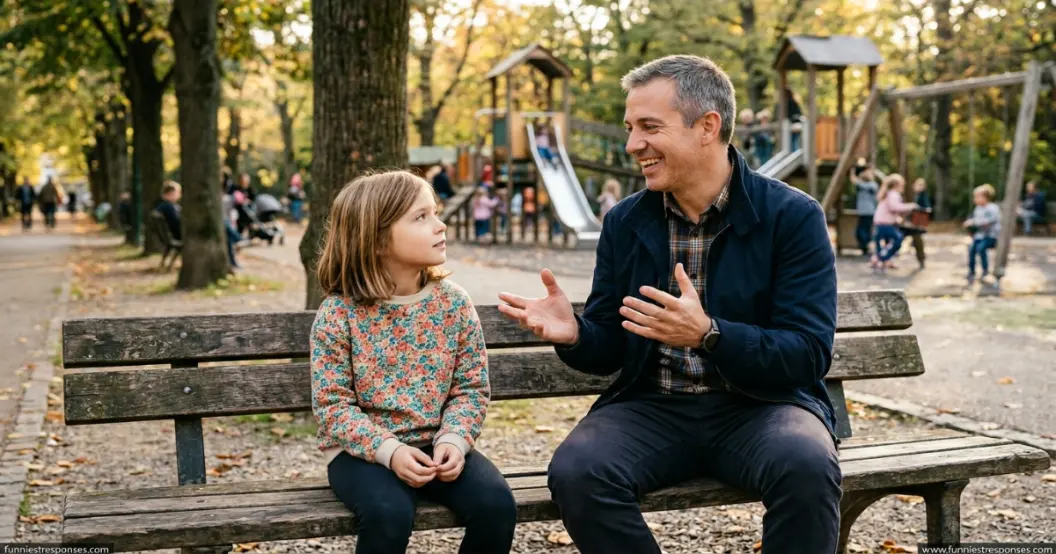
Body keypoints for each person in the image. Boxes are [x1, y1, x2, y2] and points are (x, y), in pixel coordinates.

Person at [498, 55, 841, 554]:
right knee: (579, 471)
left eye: (650, 127)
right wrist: (576, 334)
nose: (632, 144)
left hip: (763, 407)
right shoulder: (625, 222)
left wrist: (710, 335)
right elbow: (609, 346)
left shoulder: (792, 216)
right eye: (630, 128)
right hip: (654, 407)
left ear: (707, 127)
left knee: (807, 467)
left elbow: (807, 354)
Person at [310, 170, 516, 554]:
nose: (440, 225)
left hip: (437, 443)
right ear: (375, 240)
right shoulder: (339, 314)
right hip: (362, 453)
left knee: (496, 506)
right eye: (421, 217)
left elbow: (470, 388)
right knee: (389, 513)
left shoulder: (453, 304)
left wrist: (455, 439)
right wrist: (390, 451)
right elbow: (333, 406)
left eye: (435, 212)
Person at [871, 174, 918, 271]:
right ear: (896, 185)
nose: (903, 187)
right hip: (885, 223)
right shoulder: (893, 194)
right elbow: (895, 207)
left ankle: (884, 260)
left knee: (885, 243)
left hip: (880, 223)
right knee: (898, 239)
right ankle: (880, 258)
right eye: (902, 185)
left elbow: (894, 210)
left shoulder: (888, 194)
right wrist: (911, 206)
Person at [963, 184, 1001, 284]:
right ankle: (971, 271)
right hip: (979, 236)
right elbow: (976, 222)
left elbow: (991, 220)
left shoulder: (992, 208)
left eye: (977, 197)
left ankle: (985, 271)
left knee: (981, 248)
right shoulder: (978, 208)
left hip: (991, 236)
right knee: (971, 249)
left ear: (985, 197)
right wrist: (970, 225)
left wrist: (974, 222)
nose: (974, 199)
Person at [849, 162, 879, 256]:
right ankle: (865, 247)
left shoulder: (872, 185)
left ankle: (867, 246)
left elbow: (854, 180)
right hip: (864, 212)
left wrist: (852, 171)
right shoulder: (864, 185)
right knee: (863, 231)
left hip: (868, 211)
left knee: (862, 231)